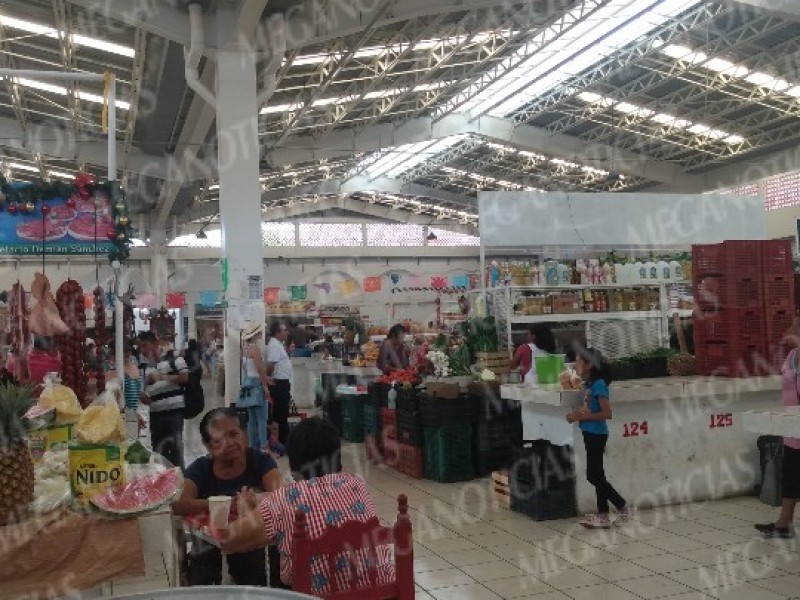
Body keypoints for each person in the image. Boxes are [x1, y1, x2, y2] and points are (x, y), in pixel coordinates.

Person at [221, 417, 393, 593]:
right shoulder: (357, 484)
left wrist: (244, 509)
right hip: (383, 594)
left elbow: (230, 541)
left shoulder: (283, 500)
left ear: (293, 462)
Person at [173, 407, 283, 586]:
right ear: (207, 445)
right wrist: (220, 505)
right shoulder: (200, 469)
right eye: (219, 439)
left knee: (254, 573)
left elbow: (281, 495)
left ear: (244, 435)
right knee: (201, 580)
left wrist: (254, 502)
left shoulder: (260, 461)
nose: (230, 443)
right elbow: (179, 504)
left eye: (234, 434)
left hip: (249, 543)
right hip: (208, 546)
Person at [566, 348, 634, 529]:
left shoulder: (599, 385)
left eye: (579, 362)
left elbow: (606, 413)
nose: (575, 365)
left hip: (597, 434)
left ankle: (623, 506)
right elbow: (590, 409)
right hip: (589, 432)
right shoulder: (590, 384)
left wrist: (580, 417)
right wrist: (576, 414)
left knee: (592, 475)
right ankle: (602, 515)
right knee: (598, 474)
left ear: (589, 365)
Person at [755, 321, 800, 539]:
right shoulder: (791, 355)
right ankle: (784, 523)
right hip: (792, 427)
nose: (790, 333)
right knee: (791, 473)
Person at [138, 331, 189, 470]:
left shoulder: (174, 358)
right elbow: (142, 393)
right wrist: (142, 395)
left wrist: (161, 377)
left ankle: (181, 482)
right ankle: (164, 483)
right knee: (159, 451)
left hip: (174, 413)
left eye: (144, 345)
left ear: (154, 343)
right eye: (140, 347)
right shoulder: (144, 367)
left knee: (176, 448)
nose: (142, 350)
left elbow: (185, 377)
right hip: (155, 414)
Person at [239, 322, 273, 452]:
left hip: (247, 383)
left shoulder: (245, 348)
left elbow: (247, 368)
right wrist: (266, 387)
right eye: (259, 331)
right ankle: (264, 446)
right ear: (256, 334)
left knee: (251, 418)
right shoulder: (255, 349)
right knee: (262, 418)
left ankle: (252, 446)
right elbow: (260, 370)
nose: (261, 333)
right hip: (257, 384)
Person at [266, 321, 293, 446]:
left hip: (282, 383)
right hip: (279, 384)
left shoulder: (278, 344)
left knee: (282, 413)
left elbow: (279, 361)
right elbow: (270, 365)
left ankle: (282, 441)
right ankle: (283, 442)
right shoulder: (275, 345)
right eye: (284, 330)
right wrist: (269, 378)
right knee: (281, 414)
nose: (286, 332)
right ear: (277, 333)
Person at [106, 339, 142, 412]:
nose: (127, 354)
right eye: (125, 351)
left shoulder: (135, 367)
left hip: (136, 413)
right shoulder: (113, 371)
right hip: (121, 414)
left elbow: (139, 394)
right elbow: (110, 397)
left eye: (128, 351)